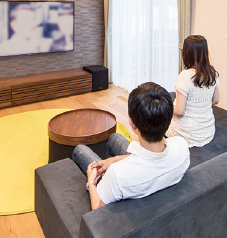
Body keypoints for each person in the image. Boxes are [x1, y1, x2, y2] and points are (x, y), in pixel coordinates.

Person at [72, 82, 190, 210]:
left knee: (80, 150)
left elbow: (97, 207)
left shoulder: (117, 174)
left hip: (118, 184)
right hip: (145, 177)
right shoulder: (182, 146)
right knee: (115, 138)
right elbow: (149, 158)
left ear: (132, 124)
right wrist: (112, 160)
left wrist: (91, 182)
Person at [166, 35, 219, 148]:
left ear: (187, 53)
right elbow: (215, 100)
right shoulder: (213, 73)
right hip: (207, 131)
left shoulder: (186, 75)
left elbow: (179, 111)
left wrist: (166, 108)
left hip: (187, 132)